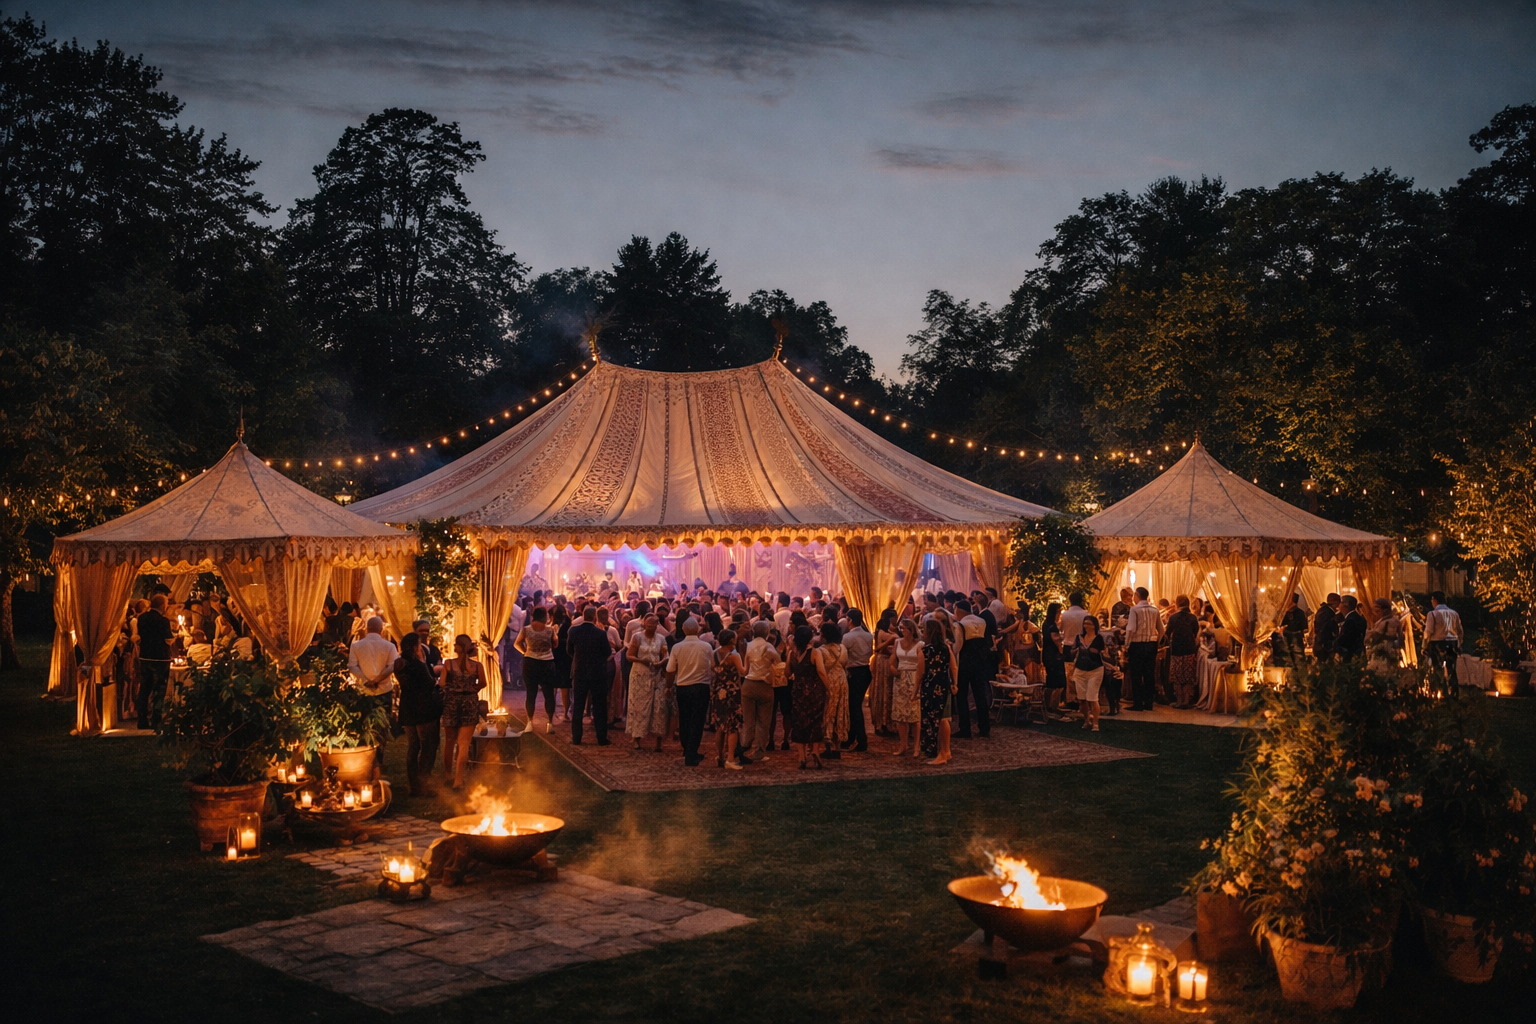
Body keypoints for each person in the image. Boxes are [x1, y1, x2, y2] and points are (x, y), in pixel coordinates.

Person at [395, 633, 442, 796]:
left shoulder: (400, 663)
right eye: (419, 645)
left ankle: (413, 785)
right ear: (415, 647)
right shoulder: (418, 664)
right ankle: (423, 784)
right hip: (423, 708)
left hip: (408, 708)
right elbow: (430, 683)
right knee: (427, 746)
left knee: (413, 746)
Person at [437, 635, 486, 790]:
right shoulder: (477, 666)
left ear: (458, 647)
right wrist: (472, 689)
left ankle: (447, 775)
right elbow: (483, 683)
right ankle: (458, 780)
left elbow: (443, 683)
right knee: (464, 743)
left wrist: (454, 688)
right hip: (469, 704)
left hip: (451, 703)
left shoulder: (448, 664)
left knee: (450, 741)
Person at [665, 619, 714, 766]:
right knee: (697, 720)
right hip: (701, 686)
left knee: (685, 719)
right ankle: (691, 752)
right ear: (698, 630)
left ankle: (687, 749)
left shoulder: (677, 647)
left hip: (683, 686)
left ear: (683, 629)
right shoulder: (706, 646)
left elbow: (670, 670)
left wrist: (668, 686)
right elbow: (712, 666)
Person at [567, 606, 614, 746]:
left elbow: (569, 650)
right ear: (595, 617)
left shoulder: (573, 630)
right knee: (599, 706)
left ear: (583, 615)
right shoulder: (600, 633)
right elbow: (607, 652)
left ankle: (576, 738)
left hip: (580, 671)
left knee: (578, 705)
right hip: (597, 673)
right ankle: (601, 737)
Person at [626, 614, 672, 751]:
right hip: (640, 674)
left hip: (656, 674)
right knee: (639, 706)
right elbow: (629, 655)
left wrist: (661, 662)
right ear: (644, 624)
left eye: (654, 625)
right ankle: (636, 738)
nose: (651, 627)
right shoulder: (637, 637)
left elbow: (666, 654)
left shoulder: (661, 638)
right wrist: (642, 660)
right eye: (649, 624)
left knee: (658, 706)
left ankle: (658, 742)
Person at [785, 624, 827, 769]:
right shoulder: (815, 653)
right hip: (814, 690)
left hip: (798, 690)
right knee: (815, 720)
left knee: (798, 721)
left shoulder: (792, 654)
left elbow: (787, 673)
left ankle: (801, 756)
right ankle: (815, 750)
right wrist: (829, 688)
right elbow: (821, 672)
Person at [919, 619, 957, 765]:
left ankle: (943, 752)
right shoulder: (946, 648)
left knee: (941, 719)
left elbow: (920, 672)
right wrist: (955, 683)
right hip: (943, 683)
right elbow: (953, 667)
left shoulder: (927, 650)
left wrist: (916, 689)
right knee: (943, 718)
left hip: (933, 684)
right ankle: (945, 751)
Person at [740, 621, 778, 762]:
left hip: (748, 684)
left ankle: (744, 746)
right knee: (763, 721)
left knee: (748, 720)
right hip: (764, 685)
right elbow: (778, 661)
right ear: (767, 633)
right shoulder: (768, 646)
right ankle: (759, 751)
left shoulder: (747, 645)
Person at [515, 606, 558, 732]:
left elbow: (516, 643)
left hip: (530, 661)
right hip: (547, 662)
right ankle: (549, 722)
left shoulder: (526, 630)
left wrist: (525, 651)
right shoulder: (549, 630)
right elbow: (555, 644)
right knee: (549, 694)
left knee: (531, 693)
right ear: (544, 616)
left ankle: (529, 722)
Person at [135, 594, 175, 729]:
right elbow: (167, 639)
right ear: (163, 605)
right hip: (160, 658)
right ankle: (156, 719)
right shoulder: (164, 621)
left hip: (145, 657)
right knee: (159, 689)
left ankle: (141, 719)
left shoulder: (141, 618)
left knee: (144, 689)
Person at [954, 599, 992, 739]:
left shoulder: (960, 625)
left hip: (964, 662)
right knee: (980, 695)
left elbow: (957, 646)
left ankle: (965, 729)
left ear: (957, 610)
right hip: (980, 662)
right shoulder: (981, 621)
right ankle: (984, 727)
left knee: (962, 696)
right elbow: (988, 641)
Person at [711, 629, 746, 770]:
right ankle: (730, 758)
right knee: (733, 725)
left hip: (718, 691)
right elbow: (743, 672)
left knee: (720, 725)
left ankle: (720, 755)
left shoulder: (715, 653)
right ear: (732, 641)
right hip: (732, 692)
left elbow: (712, 669)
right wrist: (747, 659)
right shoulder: (734, 655)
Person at [814, 620, 849, 759]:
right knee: (841, 711)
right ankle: (837, 746)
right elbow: (845, 663)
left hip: (828, 681)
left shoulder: (821, 651)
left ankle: (828, 744)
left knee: (828, 712)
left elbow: (820, 670)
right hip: (842, 680)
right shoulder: (843, 648)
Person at [1124, 587, 1162, 712]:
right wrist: (1157, 642)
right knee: (1149, 674)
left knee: (1136, 674)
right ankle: (1149, 703)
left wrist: (1127, 644)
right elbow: (1161, 630)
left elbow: (1131, 629)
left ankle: (1138, 703)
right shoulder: (1154, 610)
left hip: (1137, 644)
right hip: (1151, 645)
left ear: (1137, 595)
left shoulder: (1134, 609)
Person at [840, 609, 873, 752]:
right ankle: (851, 738)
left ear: (850, 620)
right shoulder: (868, 636)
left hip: (854, 672)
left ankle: (861, 740)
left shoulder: (847, 637)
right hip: (866, 671)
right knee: (855, 706)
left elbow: (843, 656)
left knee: (854, 707)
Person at [889, 618, 923, 756]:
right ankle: (903, 744)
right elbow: (892, 659)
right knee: (901, 715)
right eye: (901, 628)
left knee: (914, 715)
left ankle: (917, 745)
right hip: (900, 678)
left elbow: (921, 663)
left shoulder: (920, 644)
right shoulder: (897, 642)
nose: (902, 631)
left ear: (912, 630)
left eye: (904, 628)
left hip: (914, 677)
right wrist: (892, 667)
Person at [1069, 616, 1107, 731]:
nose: (1087, 626)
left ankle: (1095, 723)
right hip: (1080, 669)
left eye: (1089, 624)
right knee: (1082, 699)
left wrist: (1094, 651)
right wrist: (1074, 650)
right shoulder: (1079, 637)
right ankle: (1087, 719)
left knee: (1092, 697)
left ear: (1095, 625)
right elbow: (1071, 651)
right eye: (1085, 623)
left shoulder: (1099, 638)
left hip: (1095, 670)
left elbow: (1101, 652)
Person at [1424, 591, 1464, 697]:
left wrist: (1424, 645)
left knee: (1438, 668)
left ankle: (1440, 692)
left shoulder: (1432, 614)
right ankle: (1454, 693)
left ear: (1435, 601)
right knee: (1451, 669)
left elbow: (1429, 632)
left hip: (1437, 642)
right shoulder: (1454, 613)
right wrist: (1459, 644)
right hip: (1452, 643)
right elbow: (1460, 631)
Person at [1165, 596, 1202, 708]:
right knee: (1188, 676)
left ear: (1177, 604)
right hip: (1190, 649)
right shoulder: (1193, 618)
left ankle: (1179, 701)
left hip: (1176, 649)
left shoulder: (1173, 617)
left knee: (1176, 676)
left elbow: (1167, 633)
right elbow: (1195, 632)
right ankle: (1186, 701)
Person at [349, 616, 398, 696]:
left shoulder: (356, 646)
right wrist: (376, 681)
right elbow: (392, 667)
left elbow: (352, 667)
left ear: (367, 629)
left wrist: (366, 681)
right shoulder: (390, 646)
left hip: (363, 689)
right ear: (381, 630)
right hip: (384, 689)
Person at [870, 609, 898, 738]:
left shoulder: (887, 631)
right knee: (882, 691)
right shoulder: (883, 633)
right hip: (883, 663)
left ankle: (886, 722)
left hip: (887, 662)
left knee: (887, 692)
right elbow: (878, 648)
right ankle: (880, 723)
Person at [1041, 602, 1067, 716]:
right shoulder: (1052, 626)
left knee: (1051, 682)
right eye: (1058, 612)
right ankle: (1053, 705)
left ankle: (1048, 705)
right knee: (1058, 683)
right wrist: (1061, 652)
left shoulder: (1045, 624)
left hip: (1047, 655)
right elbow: (1056, 641)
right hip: (1054, 656)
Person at [1335, 595, 1368, 660]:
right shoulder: (1356, 617)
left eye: (1341, 602)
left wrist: (1335, 644)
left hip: (1351, 654)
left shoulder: (1351, 620)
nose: (1339, 605)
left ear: (1346, 605)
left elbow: (1347, 638)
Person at [1279, 594, 1309, 662]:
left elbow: (1304, 626)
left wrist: (1305, 637)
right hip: (1286, 635)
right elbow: (1280, 624)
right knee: (1287, 655)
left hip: (1297, 635)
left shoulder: (1300, 613)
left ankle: (1299, 669)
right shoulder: (1284, 613)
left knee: (1298, 655)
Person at [1312, 593, 1340, 661]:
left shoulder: (1324, 610)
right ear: (1335, 602)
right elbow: (1324, 629)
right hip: (1324, 646)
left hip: (1323, 644)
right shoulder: (1326, 612)